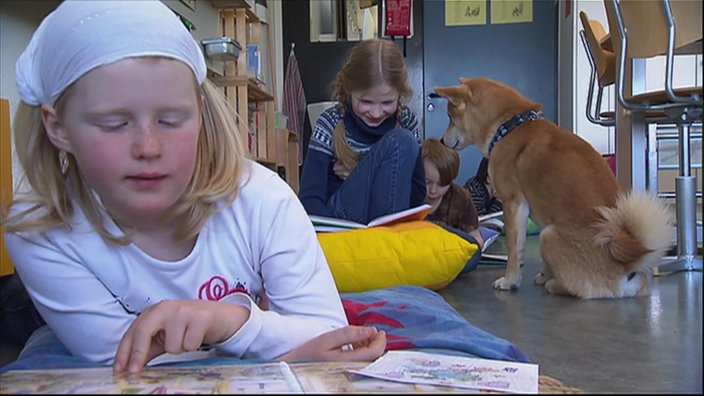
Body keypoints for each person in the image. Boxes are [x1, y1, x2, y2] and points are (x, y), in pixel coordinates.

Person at [2, 0, 385, 374]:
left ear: (200, 113)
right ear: (57, 127)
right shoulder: (39, 231)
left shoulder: (263, 198)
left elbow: (333, 338)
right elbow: (122, 363)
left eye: (171, 120)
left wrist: (230, 322)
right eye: (113, 123)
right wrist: (281, 346)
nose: (148, 148)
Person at [298, 38, 426, 225]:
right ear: (349, 90)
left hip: (389, 220)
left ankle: (386, 238)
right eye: (366, 102)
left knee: (403, 141)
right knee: (401, 142)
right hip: (342, 221)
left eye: (387, 102)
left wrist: (363, 176)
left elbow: (417, 192)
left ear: (400, 94)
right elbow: (310, 199)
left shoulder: (406, 121)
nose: (376, 113)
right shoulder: (330, 122)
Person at [421, 138, 483, 245]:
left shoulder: (461, 198)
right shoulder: (408, 195)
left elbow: (475, 237)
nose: (433, 190)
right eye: (427, 182)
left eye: (442, 184)